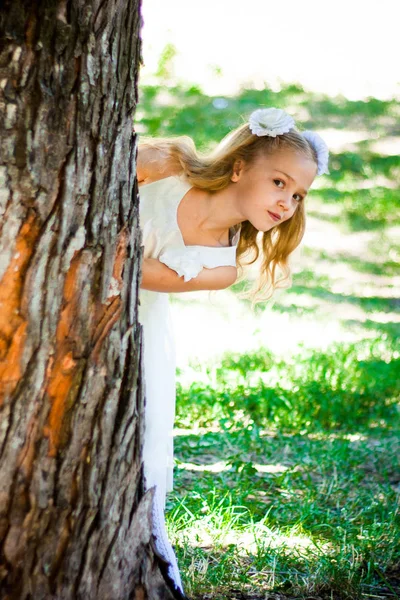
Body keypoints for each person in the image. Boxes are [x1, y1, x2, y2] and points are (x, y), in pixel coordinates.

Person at [136, 107, 329, 594]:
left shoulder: (221, 267)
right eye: (279, 183)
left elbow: (125, 270)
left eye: (299, 194)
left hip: (133, 329)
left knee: (145, 442)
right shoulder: (169, 163)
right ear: (240, 167)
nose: (288, 203)